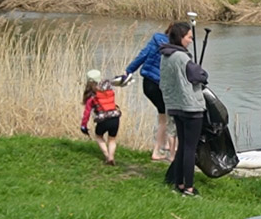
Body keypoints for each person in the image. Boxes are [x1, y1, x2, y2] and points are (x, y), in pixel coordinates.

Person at [159, 22, 208, 197]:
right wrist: (203, 74)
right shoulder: (182, 57)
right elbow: (199, 76)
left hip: (174, 106)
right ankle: (188, 188)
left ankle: (178, 183)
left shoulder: (165, 56)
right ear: (180, 37)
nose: (190, 40)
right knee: (189, 148)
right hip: (191, 107)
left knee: (182, 147)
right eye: (189, 37)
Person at [124, 24, 176, 162]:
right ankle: (159, 151)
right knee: (166, 119)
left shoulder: (156, 39)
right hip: (159, 85)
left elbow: (142, 56)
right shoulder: (174, 49)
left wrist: (128, 71)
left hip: (147, 83)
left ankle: (164, 145)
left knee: (163, 117)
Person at [80, 69, 122, 165]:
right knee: (112, 139)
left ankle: (107, 156)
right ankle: (111, 157)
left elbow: (86, 113)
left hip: (103, 120)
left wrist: (83, 126)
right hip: (115, 118)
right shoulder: (110, 90)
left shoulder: (91, 96)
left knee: (99, 136)